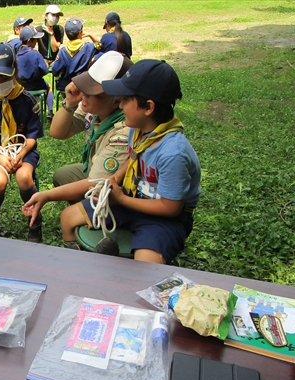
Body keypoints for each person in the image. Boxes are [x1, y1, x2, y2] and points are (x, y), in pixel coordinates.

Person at [60, 60, 201, 263]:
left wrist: (122, 200)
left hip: (163, 219)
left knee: (144, 266)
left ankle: (118, 265)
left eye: (125, 99)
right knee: (68, 218)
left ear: (148, 107)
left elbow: (171, 208)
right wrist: (114, 180)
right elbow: (134, 158)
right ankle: (79, 263)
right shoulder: (138, 129)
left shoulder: (172, 153)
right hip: (131, 200)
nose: (120, 104)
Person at [22, 51, 132, 246]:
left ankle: (96, 218)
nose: (84, 95)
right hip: (96, 173)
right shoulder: (93, 106)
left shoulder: (123, 131)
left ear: (117, 100)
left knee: (72, 210)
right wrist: (69, 104)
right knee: (62, 175)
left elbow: (97, 183)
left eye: (92, 91)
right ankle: (88, 211)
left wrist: (47, 196)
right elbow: (57, 132)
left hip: (115, 189)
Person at [0, 44, 44, 243]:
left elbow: (31, 138)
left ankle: (36, 222)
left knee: (24, 178)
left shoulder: (28, 101)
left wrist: (20, 155)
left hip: (23, 150)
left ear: (15, 72)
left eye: (3, 78)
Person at [51, 18, 100, 93]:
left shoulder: (63, 51)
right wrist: (90, 35)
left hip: (66, 87)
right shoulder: (89, 47)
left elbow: (55, 70)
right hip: (83, 86)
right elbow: (100, 45)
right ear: (80, 32)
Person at [16, 25, 54, 119]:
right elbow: (45, 70)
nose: (37, 42)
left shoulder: (16, 55)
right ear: (29, 41)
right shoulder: (35, 53)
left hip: (22, 87)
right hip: (37, 85)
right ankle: (50, 111)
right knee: (50, 88)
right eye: (35, 40)